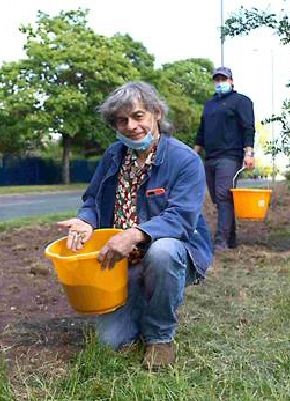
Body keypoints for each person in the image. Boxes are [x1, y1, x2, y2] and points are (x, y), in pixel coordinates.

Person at [57, 81, 212, 370]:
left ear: (155, 113)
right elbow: (93, 198)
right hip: (120, 259)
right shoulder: (114, 155)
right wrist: (85, 220)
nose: (131, 125)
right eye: (122, 120)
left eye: (138, 116)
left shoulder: (185, 160)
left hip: (170, 252)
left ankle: (160, 337)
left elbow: (181, 220)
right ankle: (146, 300)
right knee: (110, 341)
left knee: (163, 253)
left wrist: (136, 233)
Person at [194, 66, 256, 250]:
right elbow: (202, 131)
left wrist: (249, 153)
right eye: (217, 79)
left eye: (224, 79)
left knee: (223, 196)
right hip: (210, 157)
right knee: (219, 199)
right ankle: (231, 239)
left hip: (230, 156)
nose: (220, 83)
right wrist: (193, 153)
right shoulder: (209, 104)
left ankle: (220, 241)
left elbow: (248, 128)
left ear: (231, 81)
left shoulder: (241, 101)